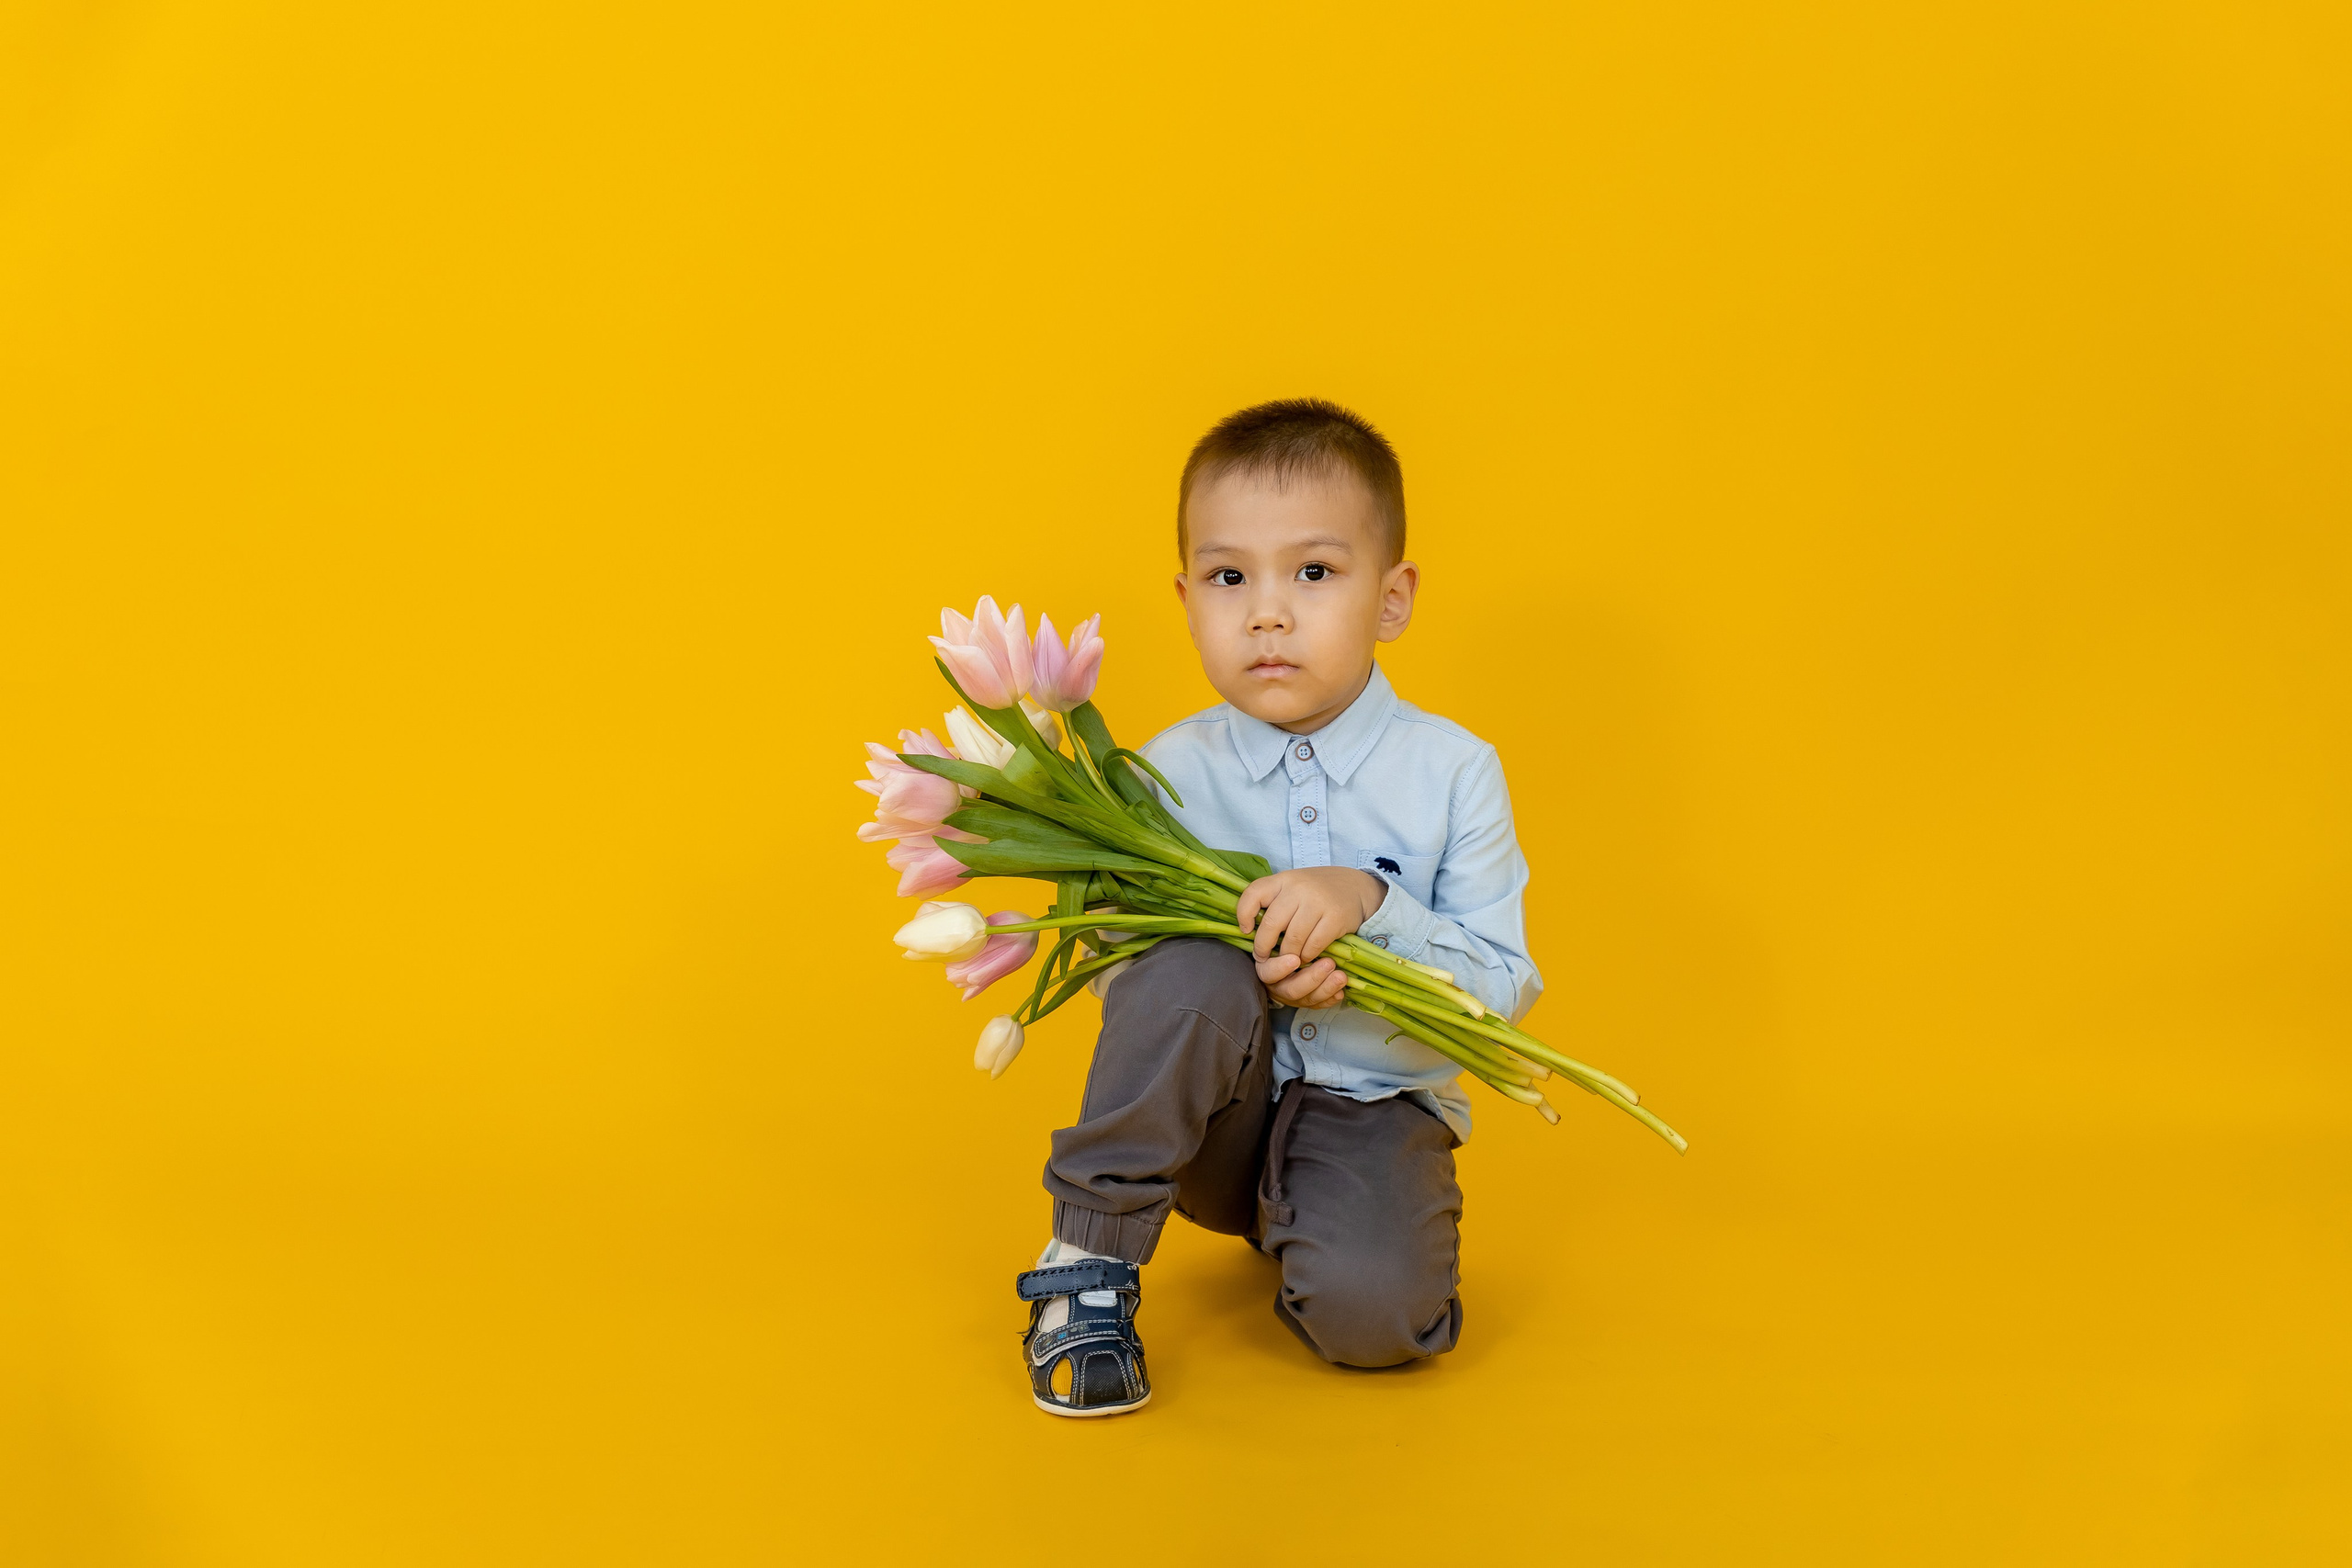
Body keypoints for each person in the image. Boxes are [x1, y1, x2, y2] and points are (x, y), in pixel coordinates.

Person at [1018, 399, 1542, 1417]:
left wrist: (1371, 905)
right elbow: (1130, 987)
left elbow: (1505, 988)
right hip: (1214, 1126)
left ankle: (1318, 1220)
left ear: (1392, 599)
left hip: (1373, 1107)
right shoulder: (1158, 777)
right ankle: (1085, 1257)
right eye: (1228, 578)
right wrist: (1223, 966)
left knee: (1379, 1321)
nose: (1266, 611)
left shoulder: (1454, 771)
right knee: (1188, 968)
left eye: (1313, 572)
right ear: (1185, 599)